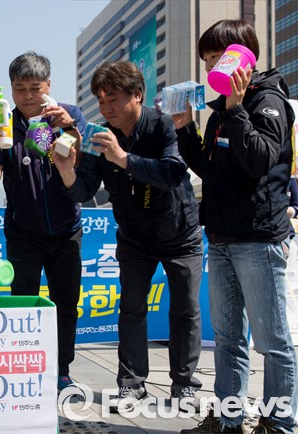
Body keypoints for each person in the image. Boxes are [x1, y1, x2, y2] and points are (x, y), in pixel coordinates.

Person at [56, 60, 204, 411]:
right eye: (101, 101)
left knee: (185, 309)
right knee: (132, 308)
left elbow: (172, 173)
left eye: (114, 99)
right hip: (134, 236)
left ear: (138, 94)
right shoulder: (97, 136)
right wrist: (66, 171)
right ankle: (131, 385)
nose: (106, 108)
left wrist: (123, 158)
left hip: (179, 233)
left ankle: (184, 384)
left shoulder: (164, 124)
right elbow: (84, 190)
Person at [175, 19, 297, 434]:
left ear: (243, 57)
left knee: (272, 341)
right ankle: (228, 420)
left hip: (259, 239)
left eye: (218, 58)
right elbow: (209, 171)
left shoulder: (268, 101)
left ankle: (279, 422)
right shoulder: (222, 111)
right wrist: (185, 129)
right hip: (222, 236)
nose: (212, 67)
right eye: (207, 60)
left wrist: (237, 108)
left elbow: (260, 160)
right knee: (227, 339)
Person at [0, 51, 85, 391]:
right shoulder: (3, 122)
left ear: (48, 86)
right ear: (10, 88)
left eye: (35, 88)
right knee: (22, 304)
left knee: (65, 305)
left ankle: (61, 370)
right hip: (23, 234)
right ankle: (22, 368)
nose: (27, 96)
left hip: (67, 232)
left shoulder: (68, 115)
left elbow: (81, 162)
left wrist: (67, 128)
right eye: (19, 88)